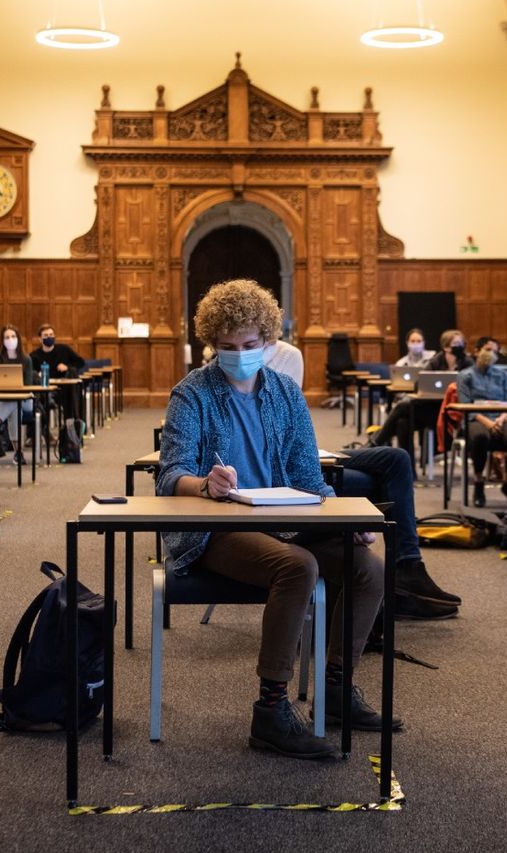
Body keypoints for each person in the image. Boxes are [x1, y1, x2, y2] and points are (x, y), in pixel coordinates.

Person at [157, 279, 397, 761]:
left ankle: (335, 693)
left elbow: (311, 477)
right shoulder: (192, 393)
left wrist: (343, 519)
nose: (239, 354)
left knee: (367, 566)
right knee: (298, 567)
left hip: (285, 519)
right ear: (212, 344)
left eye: (249, 345)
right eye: (227, 347)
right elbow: (170, 476)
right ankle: (270, 711)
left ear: (268, 341)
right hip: (215, 527)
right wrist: (206, 483)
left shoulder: (286, 392)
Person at [265, 337, 460, 619]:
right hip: (289, 468)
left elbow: (293, 422)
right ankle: (398, 579)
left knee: (396, 458)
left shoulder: (288, 355)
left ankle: (408, 566)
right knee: (383, 483)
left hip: (309, 451)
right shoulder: (229, 366)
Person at [367, 328, 469, 456]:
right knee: (402, 423)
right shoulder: (437, 360)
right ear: (446, 347)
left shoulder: (467, 363)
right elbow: (418, 383)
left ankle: (375, 442)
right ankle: (409, 470)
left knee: (402, 406)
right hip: (431, 408)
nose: (459, 347)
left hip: (452, 412)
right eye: (456, 344)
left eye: (461, 344)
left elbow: (471, 389)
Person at [457, 336, 507, 507]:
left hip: (500, 418)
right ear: (477, 351)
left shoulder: (503, 374)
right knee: (481, 437)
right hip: (476, 419)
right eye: (488, 350)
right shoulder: (465, 375)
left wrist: (501, 418)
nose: (492, 354)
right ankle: (479, 483)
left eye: (495, 352)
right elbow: (466, 406)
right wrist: (488, 423)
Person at [0, 324, 36, 463]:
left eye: (13, 336)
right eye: (7, 337)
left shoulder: (26, 359)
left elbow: (28, 385)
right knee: (14, 407)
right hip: (2, 399)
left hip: (25, 399)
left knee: (16, 402)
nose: (10, 339)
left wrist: (16, 390)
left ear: (18, 339)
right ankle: (18, 452)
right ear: (2, 340)